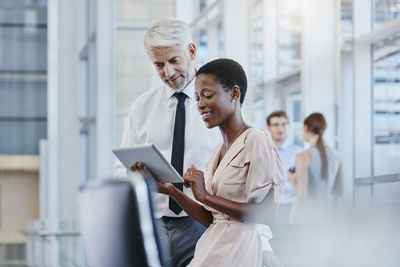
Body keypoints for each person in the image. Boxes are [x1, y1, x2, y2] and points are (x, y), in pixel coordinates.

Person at [132, 58, 284, 266]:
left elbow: (267, 214)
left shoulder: (255, 139)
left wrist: (205, 195)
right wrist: (171, 191)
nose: (201, 105)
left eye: (207, 95)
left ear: (234, 93)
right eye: (197, 98)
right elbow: (214, 220)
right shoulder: (217, 152)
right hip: (214, 249)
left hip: (243, 252)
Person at [114, 19, 220, 267]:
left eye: (174, 61)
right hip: (154, 221)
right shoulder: (142, 106)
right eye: (159, 65)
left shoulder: (218, 104)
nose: (168, 73)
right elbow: (121, 169)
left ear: (191, 51)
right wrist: (136, 177)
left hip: (203, 221)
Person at [288, 113, 344, 224]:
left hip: (306, 218)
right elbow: (340, 191)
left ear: (306, 128)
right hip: (327, 216)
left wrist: (292, 180)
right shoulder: (337, 155)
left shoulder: (304, 156)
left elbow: (301, 195)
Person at [266, 111, 302, 223]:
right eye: (276, 125)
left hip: (290, 207)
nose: (280, 129)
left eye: (284, 124)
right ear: (269, 128)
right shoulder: (262, 151)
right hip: (266, 207)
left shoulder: (298, 153)